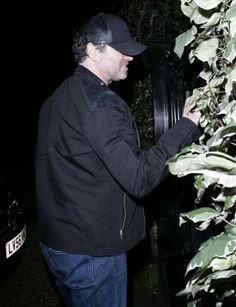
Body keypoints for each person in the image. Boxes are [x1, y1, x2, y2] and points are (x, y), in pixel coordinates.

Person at [34, 12, 201, 307]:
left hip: (56, 245)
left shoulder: (55, 99)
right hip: (93, 254)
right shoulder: (102, 104)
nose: (130, 56)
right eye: (120, 49)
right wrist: (186, 126)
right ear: (91, 50)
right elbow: (138, 179)